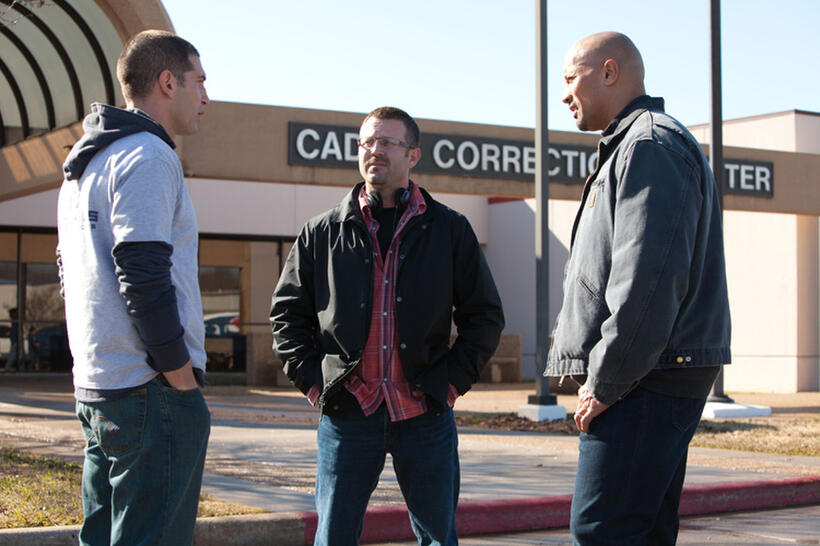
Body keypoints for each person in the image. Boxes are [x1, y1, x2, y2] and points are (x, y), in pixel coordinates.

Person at [270, 106, 504, 545]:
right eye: (366, 143)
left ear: (413, 155)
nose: (373, 151)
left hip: (424, 413)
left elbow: (484, 316)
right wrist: (314, 383)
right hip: (348, 412)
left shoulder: (450, 230)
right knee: (334, 536)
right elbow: (287, 314)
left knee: (439, 538)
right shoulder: (322, 231)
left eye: (386, 142)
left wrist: (449, 384)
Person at [546, 32, 731, 545]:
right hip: (651, 374)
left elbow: (645, 282)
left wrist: (605, 381)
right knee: (641, 533)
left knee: (603, 529)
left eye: (569, 78)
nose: (563, 94)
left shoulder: (648, 146)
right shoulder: (636, 146)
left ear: (610, 72)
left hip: (644, 378)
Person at [57, 30, 210, 546]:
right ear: (168, 83)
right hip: (151, 390)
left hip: (99, 385)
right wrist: (180, 376)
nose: (206, 97)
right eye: (199, 82)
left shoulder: (84, 166)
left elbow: (68, 274)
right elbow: (143, 273)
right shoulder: (147, 155)